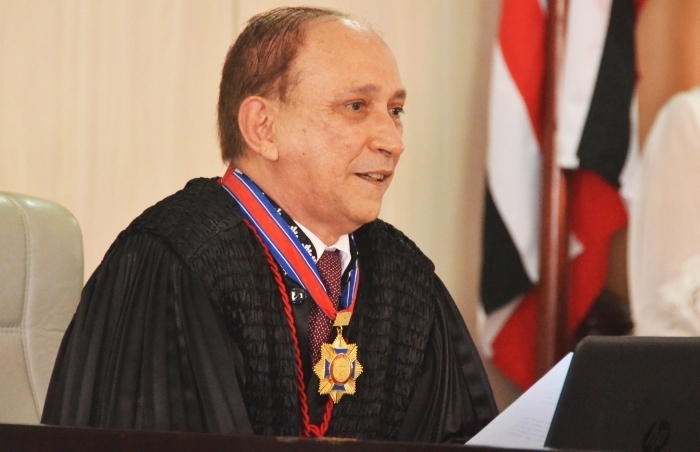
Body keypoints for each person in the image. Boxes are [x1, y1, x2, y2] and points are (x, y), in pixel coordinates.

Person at [41, 6, 497, 442]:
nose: (392, 141)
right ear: (263, 127)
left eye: (395, 111)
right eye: (356, 106)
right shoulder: (173, 261)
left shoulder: (405, 277)